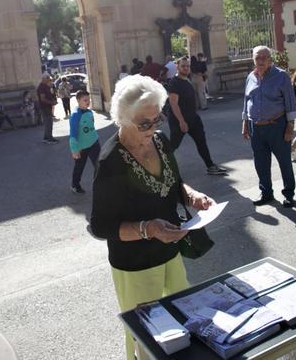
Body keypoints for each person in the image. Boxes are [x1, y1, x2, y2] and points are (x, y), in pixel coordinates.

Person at [90, 75, 216, 360]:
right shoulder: (110, 161)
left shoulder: (160, 141)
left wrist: (192, 195)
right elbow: (100, 226)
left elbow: (174, 183)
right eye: (144, 123)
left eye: (157, 119)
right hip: (134, 264)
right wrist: (148, 229)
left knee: (185, 320)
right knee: (146, 337)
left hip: (170, 251)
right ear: (123, 118)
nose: (152, 127)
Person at [241, 45, 296, 206]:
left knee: (284, 161)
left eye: (263, 57)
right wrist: (245, 123)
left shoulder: (281, 76)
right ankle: (266, 192)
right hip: (256, 127)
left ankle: (289, 193)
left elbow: (290, 103)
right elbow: (247, 101)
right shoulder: (250, 77)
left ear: (270, 59)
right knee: (260, 162)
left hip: (277, 125)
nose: (260, 61)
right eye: (257, 58)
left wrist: (290, 127)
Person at [167, 57, 228, 175]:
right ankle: (162, 167)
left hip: (193, 119)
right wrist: (181, 121)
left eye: (187, 66)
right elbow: (173, 104)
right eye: (183, 66)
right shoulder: (174, 83)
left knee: (201, 141)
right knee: (173, 145)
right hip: (179, 121)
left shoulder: (187, 79)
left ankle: (210, 166)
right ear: (177, 67)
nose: (185, 68)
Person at [69, 90, 100, 194]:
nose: (88, 102)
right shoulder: (75, 115)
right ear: (78, 101)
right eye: (85, 100)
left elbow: (91, 127)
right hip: (82, 147)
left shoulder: (89, 111)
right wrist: (74, 149)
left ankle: (102, 184)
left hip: (94, 143)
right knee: (79, 167)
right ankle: (75, 185)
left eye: (89, 99)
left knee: (99, 164)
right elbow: (73, 134)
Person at [37, 73, 59, 144]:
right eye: (48, 78)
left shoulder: (46, 86)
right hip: (45, 107)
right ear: (44, 78)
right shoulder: (41, 87)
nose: (49, 80)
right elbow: (42, 98)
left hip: (47, 107)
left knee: (48, 123)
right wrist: (51, 102)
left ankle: (46, 138)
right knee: (49, 123)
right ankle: (49, 139)